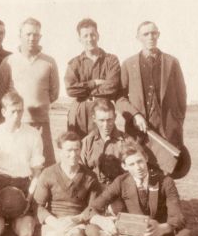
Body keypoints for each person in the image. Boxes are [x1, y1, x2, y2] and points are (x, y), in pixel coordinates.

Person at [85, 139, 192, 236]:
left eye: (140, 161)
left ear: (146, 158)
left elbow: (178, 217)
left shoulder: (165, 182)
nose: (138, 167)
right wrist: (101, 221)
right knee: (90, 229)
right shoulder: (121, 181)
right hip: (129, 235)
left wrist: (162, 228)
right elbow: (92, 209)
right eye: (132, 164)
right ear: (124, 166)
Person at [33, 131, 101, 236]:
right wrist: (55, 222)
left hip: (78, 221)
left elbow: (93, 207)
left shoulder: (90, 177)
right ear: (60, 151)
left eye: (77, 149)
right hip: (54, 222)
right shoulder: (48, 173)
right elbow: (39, 206)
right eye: (68, 150)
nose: (73, 154)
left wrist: (76, 219)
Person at [0, 17, 59, 167]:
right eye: (28, 34)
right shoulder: (9, 61)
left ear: (40, 37)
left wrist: (38, 105)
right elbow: (1, 93)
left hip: (41, 123)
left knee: (43, 165)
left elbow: (54, 93)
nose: (32, 38)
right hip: (17, 123)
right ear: (20, 36)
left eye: (36, 35)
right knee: (17, 165)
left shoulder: (49, 62)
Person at [0, 91, 44, 236]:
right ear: (4, 112)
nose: (17, 115)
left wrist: (29, 197)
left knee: (25, 235)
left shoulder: (33, 134)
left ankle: (18, 220)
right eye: (13, 111)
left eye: (20, 111)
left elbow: (36, 172)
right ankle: (1, 220)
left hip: (23, 185)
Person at [119, 21, 187, 149]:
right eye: (146, 34)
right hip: (138, 130)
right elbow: (120, 98)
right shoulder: (128, 64)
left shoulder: (172, 62)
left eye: (154, 33)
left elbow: (181, 95)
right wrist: (135, 115)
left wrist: (177, 121)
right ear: (138, 37)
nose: (150, 37)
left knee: (170, 167)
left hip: (169, 131)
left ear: (158, 35)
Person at [64, 18, 122, 139]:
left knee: (103, 147)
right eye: (85, 36)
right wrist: (94, 83)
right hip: (79, 113)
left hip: (103, 112)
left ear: (98, 36)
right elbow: (70, 90)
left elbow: (111, 87)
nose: (89, 39)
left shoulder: (111, 60)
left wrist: (85, 92)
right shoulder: (74, 63)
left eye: (92, 35)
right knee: (78, 148)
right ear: (79, 39)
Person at [81, 99, 126, 185]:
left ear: (115, 117)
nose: (106, 125)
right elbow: (81, 171)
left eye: (109, 120)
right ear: (94, 119)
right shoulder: (87, 142)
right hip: (94, 189)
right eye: (101, 120)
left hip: (119, 190)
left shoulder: (126, 141)